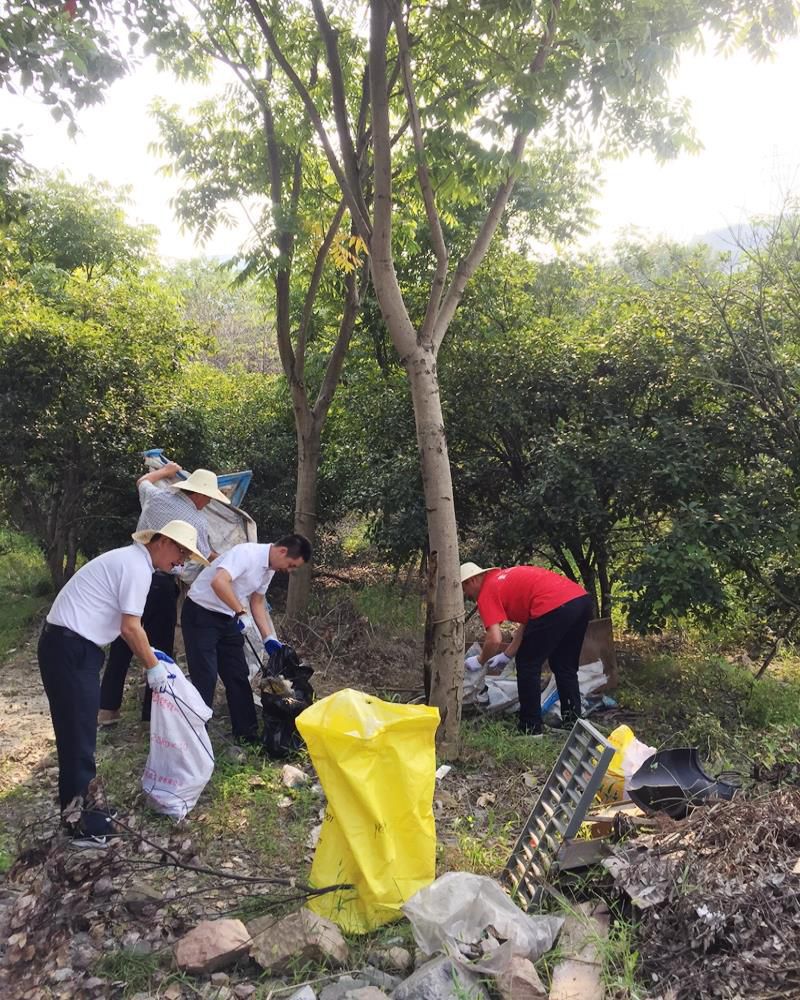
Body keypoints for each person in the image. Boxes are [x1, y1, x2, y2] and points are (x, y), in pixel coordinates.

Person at [38, 520, 209, 845]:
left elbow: (124, 624)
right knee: (78, 738)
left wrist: (152, 655)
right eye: (181, 551)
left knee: (79, 735)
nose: (181, 561)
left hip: (72, 647)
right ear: (161, 541)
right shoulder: (136, 568)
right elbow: (130, 627)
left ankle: (81, 811)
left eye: (187, 556)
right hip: (70, 649)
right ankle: (81, 826)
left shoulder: (132, 563)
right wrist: (153, 668)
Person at [98, 463, 229, 726]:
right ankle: (151, 715)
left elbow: (142, 480)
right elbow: (205, 556)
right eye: (209, 498)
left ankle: (107, 709)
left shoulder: (157, 496)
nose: (208, 503)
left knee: (124, 640)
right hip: (160, 584)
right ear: (200, 495)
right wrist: (232, 559)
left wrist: (167, 470)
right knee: (159, 648)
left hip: (133, 575)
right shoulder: (196, 522)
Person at [181, 534, 312, 745]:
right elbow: (219, 582)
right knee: (205, 675)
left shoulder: (269, 569)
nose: (288, 571)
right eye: (291, 565)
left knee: (237, 673)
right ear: (282, 551)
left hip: (227, 616)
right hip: (201, 612)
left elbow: (257, 602)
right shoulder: (246, 554)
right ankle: (196, 736)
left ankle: (246, 734)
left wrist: (268, 638)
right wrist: (240, 612)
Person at [460, 561, 593, 736]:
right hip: (580, 600)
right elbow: (528, 623)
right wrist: (507, 654)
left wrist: (480, 660)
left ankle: (530, 728)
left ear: (471, 581)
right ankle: (572, 722)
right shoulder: (504, 579)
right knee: (564, 665)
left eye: (464, 590)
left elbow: (494, 638)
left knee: (527, 664)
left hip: (554, 605)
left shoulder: (487, 591)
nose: (467, 596)